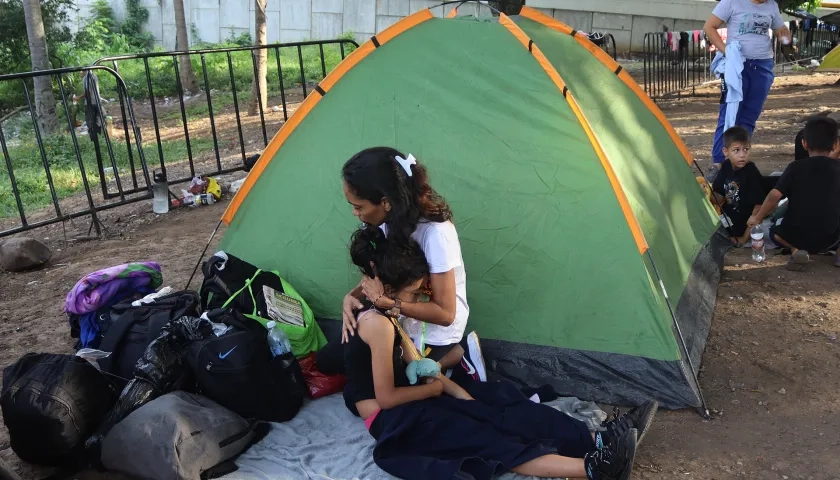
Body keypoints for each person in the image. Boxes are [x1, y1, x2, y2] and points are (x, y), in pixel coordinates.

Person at [343, 226, 658, 480]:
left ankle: (597, 440)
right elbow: (385, 399)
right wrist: (438, 389)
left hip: (415, 398)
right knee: (481, 437)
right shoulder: (377, 324)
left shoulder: (390, 315)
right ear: (388, 285)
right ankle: (594, 468)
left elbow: (418, 364)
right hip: (393, 418)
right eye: (414, 292)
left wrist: (453, 391)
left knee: (498, 403)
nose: (419, 299)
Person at [336, 147, 484, 380]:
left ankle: (457, 356)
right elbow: (381, 272)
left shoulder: (436, 234)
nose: (355, 213)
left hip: (434, 331)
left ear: (385, 202)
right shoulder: (384, 220)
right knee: (334, 360)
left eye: (358, 206)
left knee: (395, 382)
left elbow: (445, 314)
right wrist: (352, 295)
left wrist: (389, 304)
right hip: (396, 314)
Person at [704, 0, 791, 173]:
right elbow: (709, 27)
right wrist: (727, 52)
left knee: (750, 115)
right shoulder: (731, 2)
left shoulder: (771, 5)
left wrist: (785, 35)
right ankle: (719, 162)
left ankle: (739, 160)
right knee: (729, 113)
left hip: (762, 65)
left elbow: (780, 29)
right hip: (737, 66)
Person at [748, 117, 840, 270]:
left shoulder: (795, 168)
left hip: (796, 236)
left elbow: (774, 196)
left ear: (804, 143)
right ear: (836, 144)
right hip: (830, 239)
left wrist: (758, 217)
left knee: (774, 232)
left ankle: (795, 250)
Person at [712, 126, 766, 245]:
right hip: (727, 218)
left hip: (745, 222)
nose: (742, 155)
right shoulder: (726, 166)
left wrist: (744, 238)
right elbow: (718, 196)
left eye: (746, 149)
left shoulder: (751, 171)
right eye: (736, 150)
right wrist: (705, 191)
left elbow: (759, 206)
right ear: (726, 152)